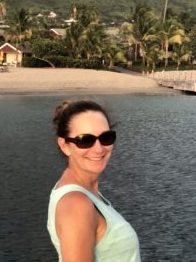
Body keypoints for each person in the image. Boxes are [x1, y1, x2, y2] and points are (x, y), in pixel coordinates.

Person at [47, 100, 141, 262]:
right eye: (85, 140)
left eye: (106, 137)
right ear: (65, 146)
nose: (98, 149)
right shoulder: (77, 205)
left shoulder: (85, 192)